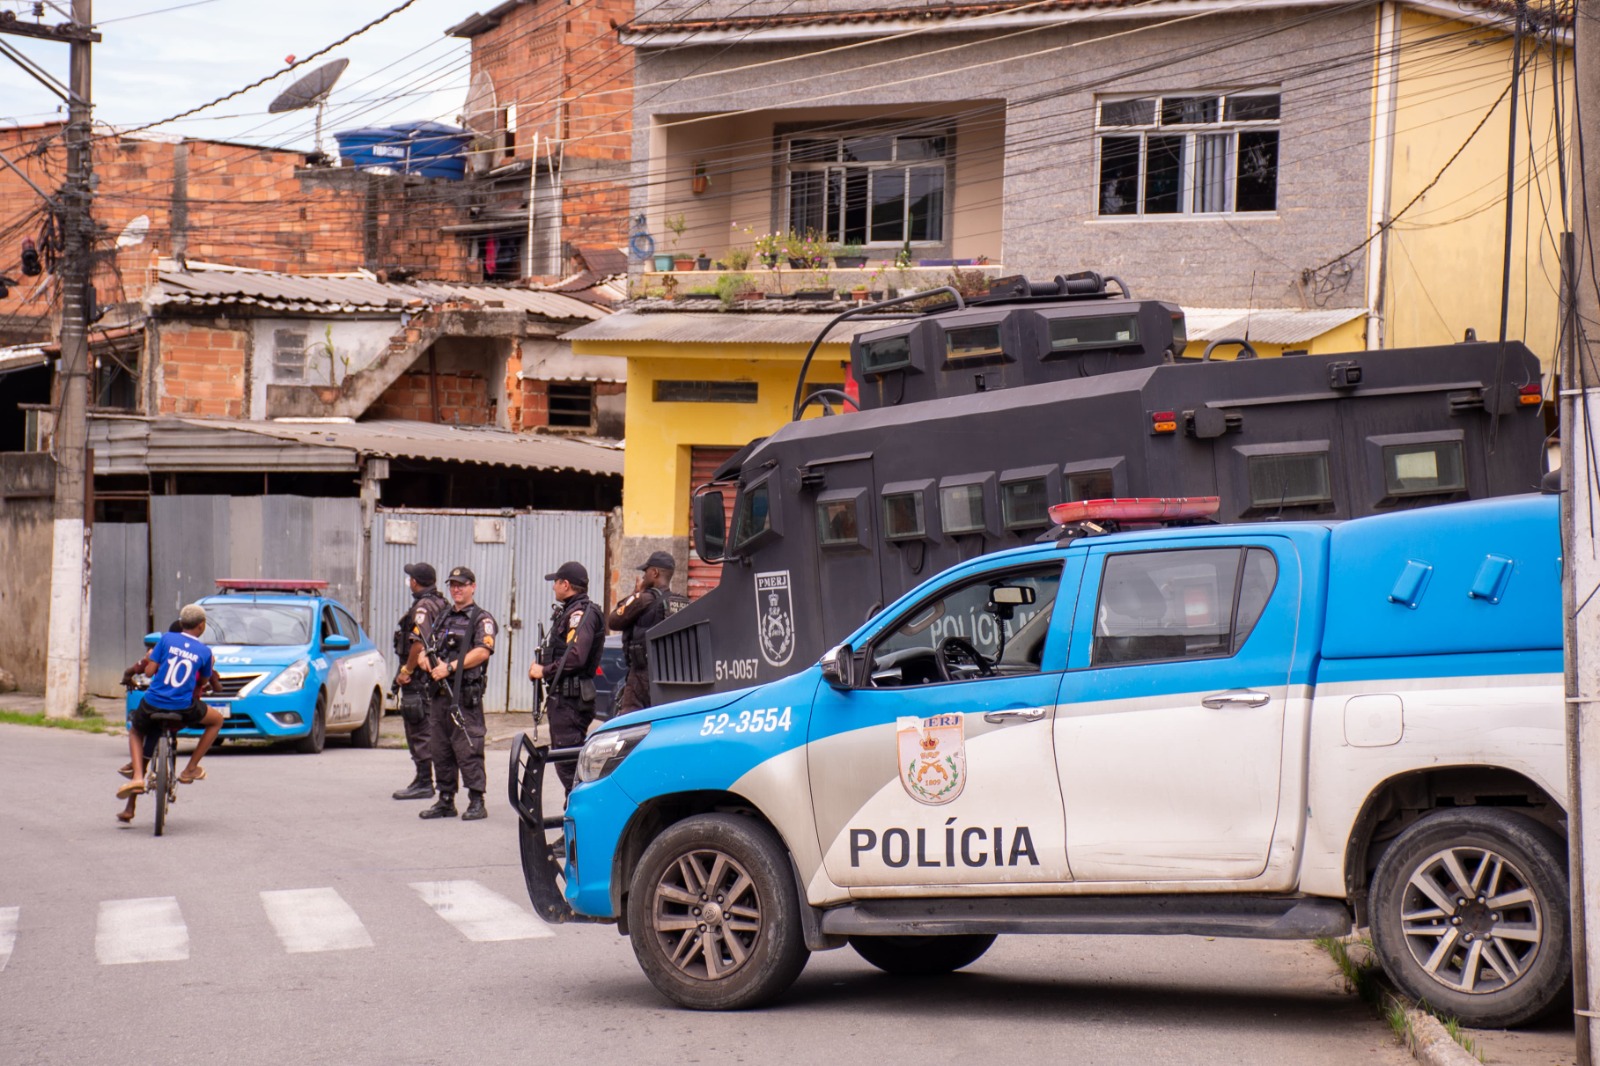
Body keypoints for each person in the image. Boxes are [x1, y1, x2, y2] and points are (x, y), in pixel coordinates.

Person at [117, 603, 225, 821]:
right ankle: (191, 768)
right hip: (184, 709)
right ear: (202, 626)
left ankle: (137, 778)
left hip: (154, 703)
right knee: (216, 720)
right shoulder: (205, 653)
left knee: (137, 732)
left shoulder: (165, 640)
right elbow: (207, 681)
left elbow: (147, 671)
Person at [418, 566, 497, 822]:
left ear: (473, 587)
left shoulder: (481, 619)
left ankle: (477, 800)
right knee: (440, 747)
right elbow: (426, 647)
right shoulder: (443, 617)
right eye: (452, 585)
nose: (456, 589)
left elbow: (482, 651)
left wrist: (450, 668)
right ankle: (445, 800)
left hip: (463, 695)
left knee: (469, 746)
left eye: (461, 585)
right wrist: (425, 660)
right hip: (439, 694)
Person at [528, 561, 605, 795]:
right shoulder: (570, 611)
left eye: (556, 582)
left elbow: (576, 657)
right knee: (567, 763)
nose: (553, 587)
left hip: (571, 701)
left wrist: (544, 671)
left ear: (566, 584)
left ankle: (581, 811)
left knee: (568, 764)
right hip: (565, 698)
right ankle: (574, 809)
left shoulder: (580, 614)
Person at [391, 561, 449, 801]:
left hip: (419, 678)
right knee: (428, 727)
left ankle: (425, 781)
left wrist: (406, 670)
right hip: (432, 677)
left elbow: (418, 643)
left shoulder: (423, 607)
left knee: (418, 728)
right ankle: (424, 779)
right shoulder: (440, 603)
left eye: (410, 579)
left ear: (415, 582)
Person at [606, 550, 675, 715]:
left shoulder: (644, 598)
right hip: (670, 675)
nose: (643, 576)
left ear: (655, 572)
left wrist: (636, 593)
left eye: (646, 572)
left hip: (642, 675)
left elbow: (614, 620)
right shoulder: (678, 601)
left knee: (631, 719)